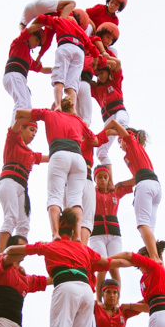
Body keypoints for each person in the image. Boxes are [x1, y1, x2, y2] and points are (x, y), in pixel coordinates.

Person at [4, 208, 121, 327]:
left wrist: (11, 257)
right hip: (86, 292)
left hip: (65, 288)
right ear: (75, 228)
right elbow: (109, 262)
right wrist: (135, 260)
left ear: (59, 226)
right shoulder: (83, 248)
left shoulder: (50, 245)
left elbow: (11, 250)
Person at [15, 96, 103, 242]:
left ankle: (55, 234)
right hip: (78, 158)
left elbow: (19, 113)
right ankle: (77, 236)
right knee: (75, 199)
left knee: (55, 196)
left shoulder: (49, 114)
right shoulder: (78, 121)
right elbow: (94, 140)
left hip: (59, 154)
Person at [111, 120, 162, 262]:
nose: (120, 146)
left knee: (142, 224)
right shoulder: (133, 154)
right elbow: (135, 178)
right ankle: (158, 259)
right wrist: (120, 184)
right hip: (155, 186)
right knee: (149, 229)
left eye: (119, 141)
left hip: (145, 185)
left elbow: (125, 132)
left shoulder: (133, 144)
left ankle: (154, 258)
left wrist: (111, 129)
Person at [0, 117, 48, 253]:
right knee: (11, 217)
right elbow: (15, 125)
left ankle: (16, 260)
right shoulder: (13, 141)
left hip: (22, 188)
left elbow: (50, 157)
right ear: (22, 129)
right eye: (31, 130)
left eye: (35, 132)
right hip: (9, 182)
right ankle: (0, 255)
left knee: (24, 225)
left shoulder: (32, 154)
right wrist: (29, 115)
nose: (33, 134)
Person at [34, 13, 99, 112]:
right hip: (79, 51)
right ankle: (72, 109)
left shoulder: (61, 20)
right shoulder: (80, 30)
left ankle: (58, 105)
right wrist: (94, 62)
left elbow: (41, 17)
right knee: (72, 84)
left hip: (65, 46)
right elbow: (94, 50)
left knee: (59, 79)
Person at [89, 165, 134, 299]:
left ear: (109, 178)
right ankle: (98, 300)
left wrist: (119, 183)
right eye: (99, 177)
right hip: (97, 235)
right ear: (94, 179)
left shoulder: (115, 191)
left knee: (114, 267)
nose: (103, 180)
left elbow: (136, 180)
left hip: (114, 235)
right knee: (102, 265)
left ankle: (116, 301)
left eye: (105, 177)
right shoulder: (91, 192)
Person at [3, 23, 51, 126]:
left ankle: (22, 130)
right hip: (14, 74)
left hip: (19, 78)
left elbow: (43, 69)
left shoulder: (29, 59)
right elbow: (29, 29)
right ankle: (13, 130)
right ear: (31, 35)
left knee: (28, 107)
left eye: (38, 43)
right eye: (36, 40)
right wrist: (42, 22)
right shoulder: (19, 43)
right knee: (22, 103)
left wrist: (60, 70)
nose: (36, 44)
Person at [91, 60, 129, 179]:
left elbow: (117, 64)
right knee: (100, 151)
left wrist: (103, 59)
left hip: (119, 112)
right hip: (108, 120)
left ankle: (127, 136)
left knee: (121, 123)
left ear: (108, 72)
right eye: (97, 75)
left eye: (102, 73)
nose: (100, 76)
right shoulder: (97, 89)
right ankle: (109, 181)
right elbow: (84, 77)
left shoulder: (115, 82)